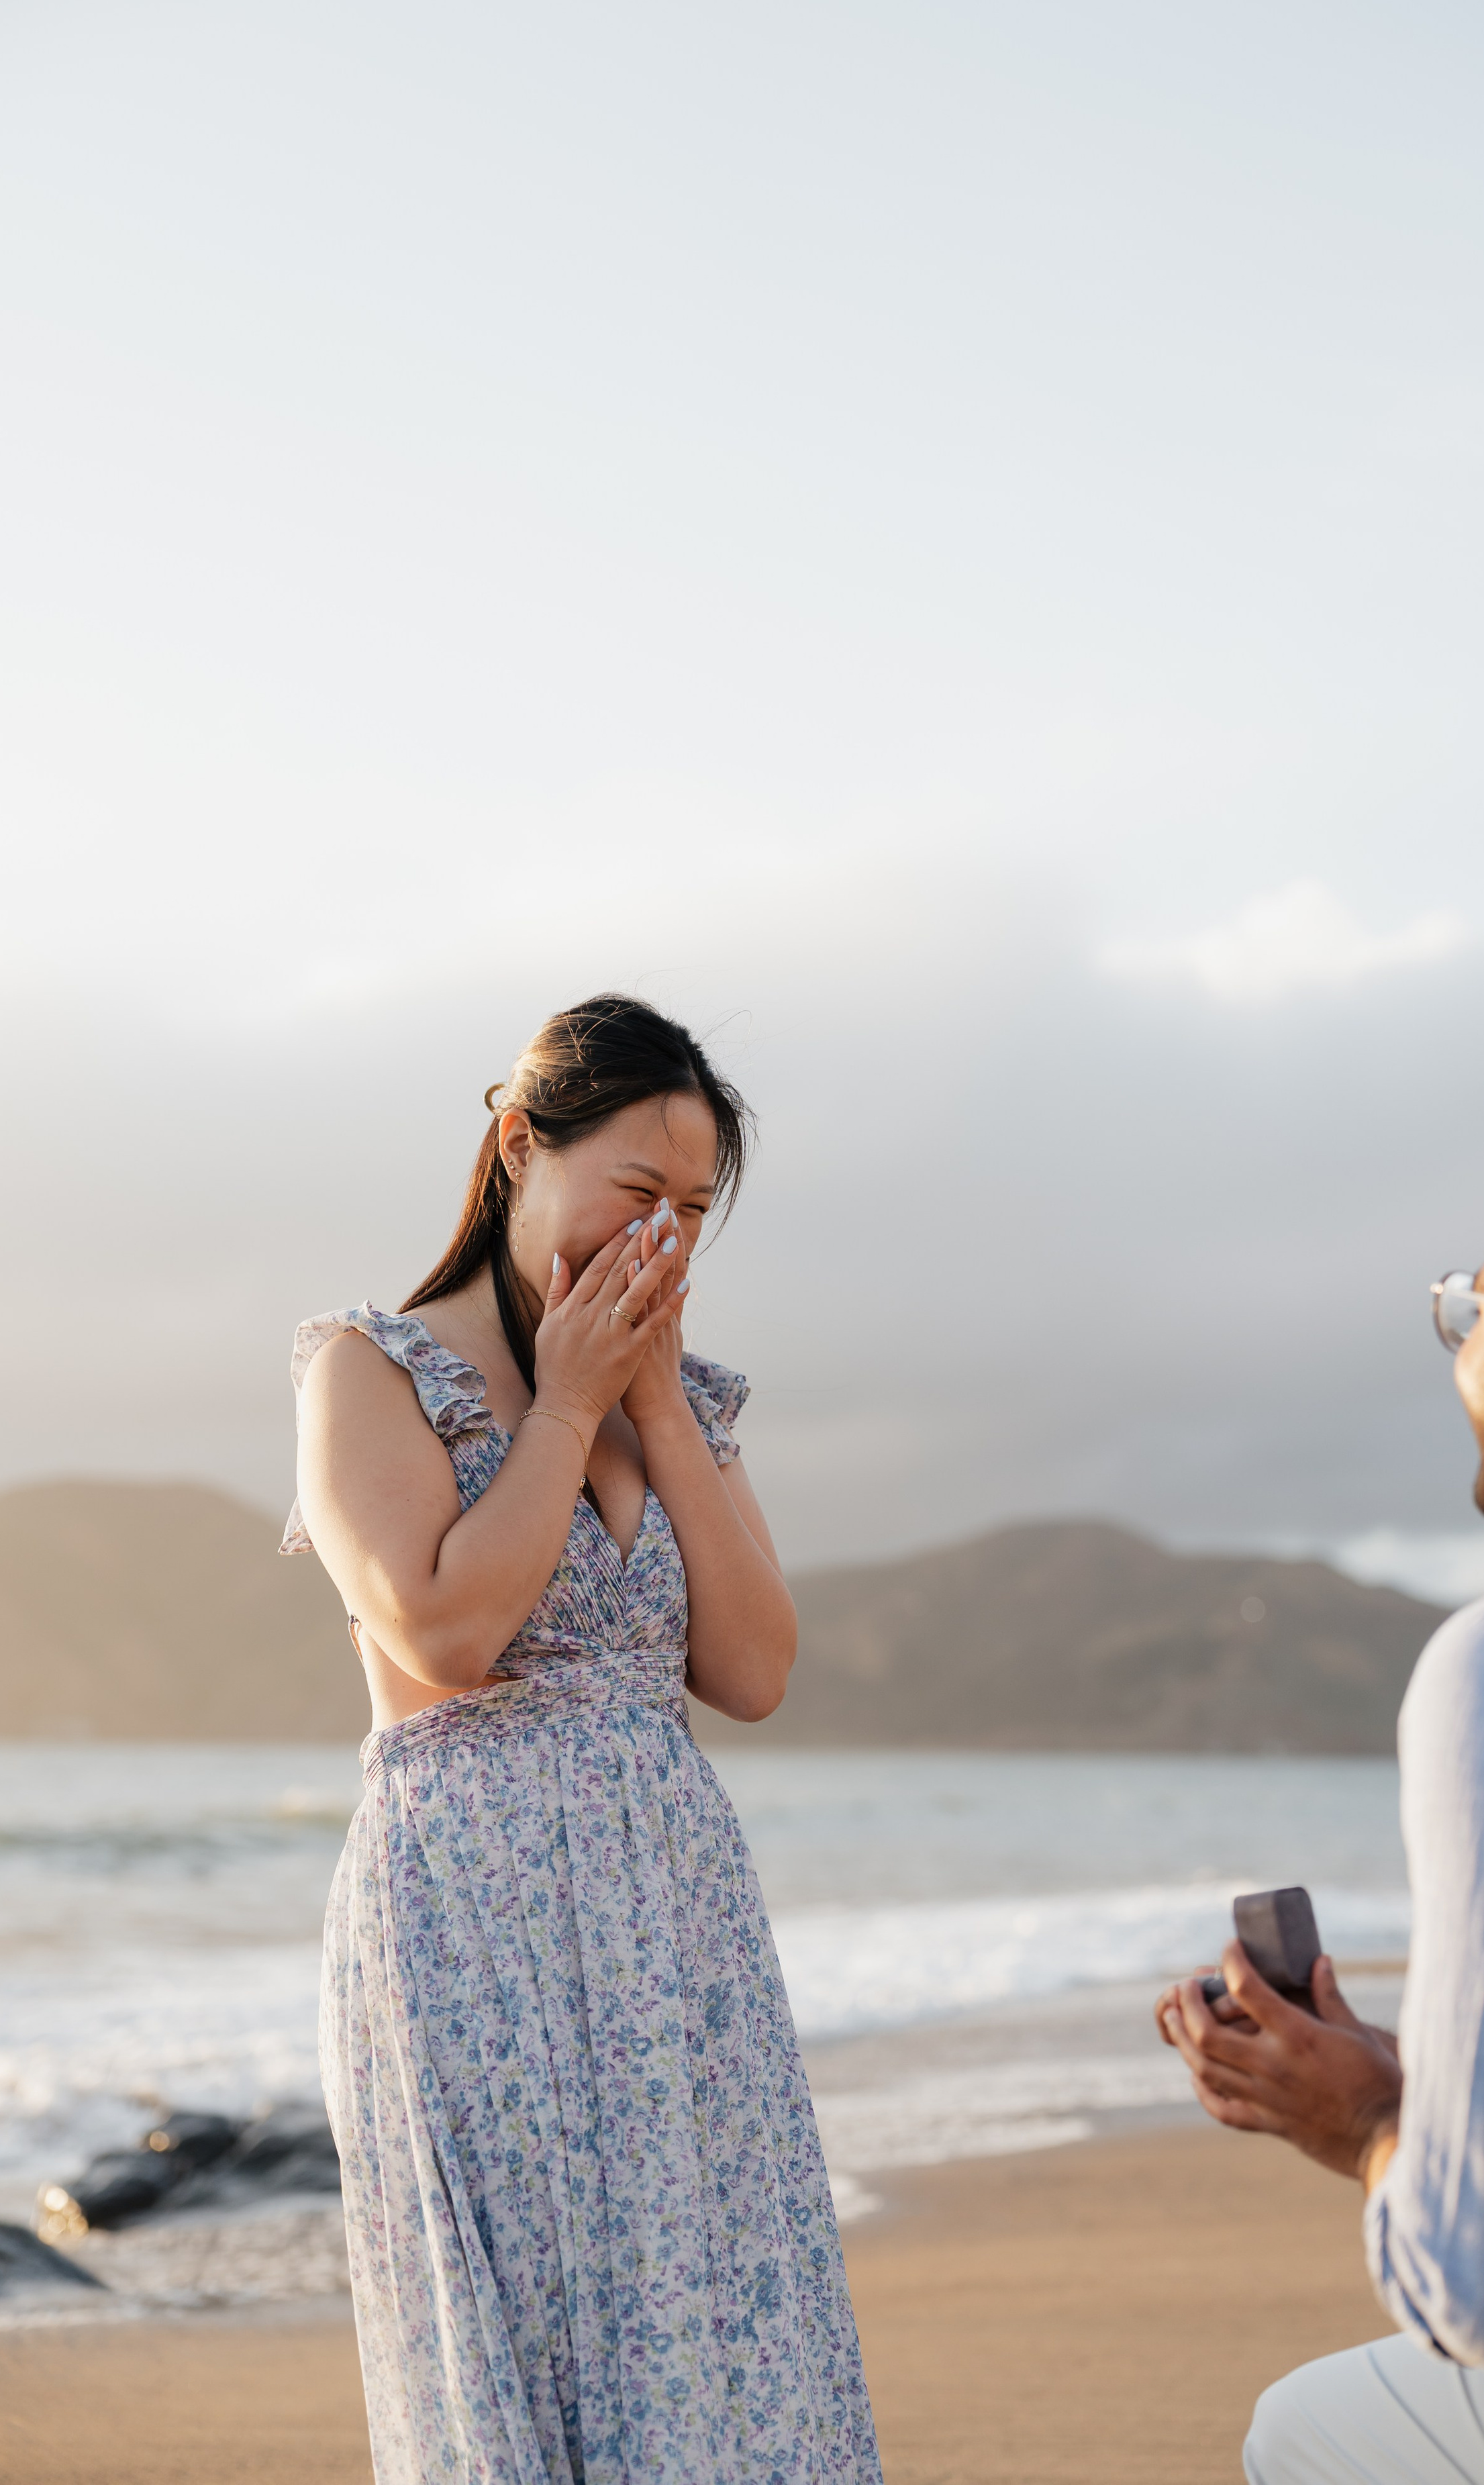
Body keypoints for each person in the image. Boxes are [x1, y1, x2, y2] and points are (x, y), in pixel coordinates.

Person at [282, 993, 882, 2485]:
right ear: (515, 1148)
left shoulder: (682, 1400)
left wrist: (659, 1413)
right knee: (527, 2347)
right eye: (635, 1193)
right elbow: (444, 1636)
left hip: (674, 1929)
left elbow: (750, 1671)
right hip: (470, 1916)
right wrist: (564, 1406)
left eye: (691, 1211)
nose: (661, 1238)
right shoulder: (368, 1372)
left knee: (719, 2337)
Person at [1158, 1127, 1484, 2485]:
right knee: (1317, 2417)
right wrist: (1439, 2100)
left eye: (1473, 1309)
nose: (1457, 1348)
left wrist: (1364, 2129)